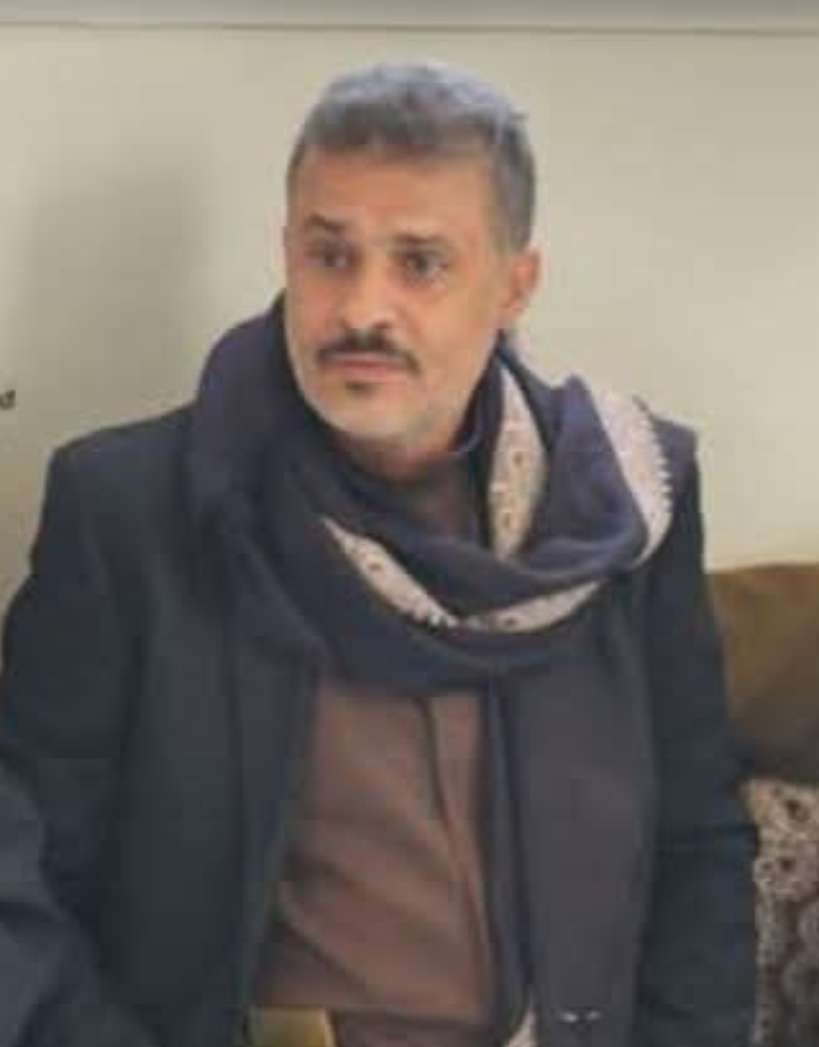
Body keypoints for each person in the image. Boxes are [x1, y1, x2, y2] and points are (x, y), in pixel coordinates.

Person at [0, 63, 755, 1047]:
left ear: (514, 285)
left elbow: (698, 843)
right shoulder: (135, 512)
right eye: (330, 255)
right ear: (286, 252)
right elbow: (20, 877)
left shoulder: (614, 512)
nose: (363, 309)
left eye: (420, 263)